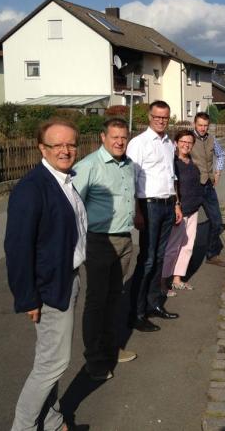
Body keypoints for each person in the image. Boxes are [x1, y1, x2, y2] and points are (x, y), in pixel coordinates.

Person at [5, 118, 87, 431]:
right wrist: (28, 297)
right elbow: (17, 248)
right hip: (51, 287)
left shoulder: (63, 179)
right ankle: (23, 426)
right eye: (58, 145)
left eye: (71, 144)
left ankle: (52, 421)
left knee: (49, 360)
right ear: (42, 148)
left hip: (69, 278)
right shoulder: (32, 188)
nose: (66, 150)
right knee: (53, 363)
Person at [72, 117, 137, 381]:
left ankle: (111, 348)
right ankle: (95, 360)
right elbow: (73, 206)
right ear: (103, 137)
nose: (120, 142)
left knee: (114, 297)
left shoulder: (128, 165)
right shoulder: (88, 166)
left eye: (124, 137)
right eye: (115, 137)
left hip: (124, 240)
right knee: (97, 301)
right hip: (99, 241)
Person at [126, 101, 182, 332]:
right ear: (149, 117)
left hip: (168, 205)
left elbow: (172, 176)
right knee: (147, 259)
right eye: (157, 117)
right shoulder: (138, 143)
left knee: (160, 258)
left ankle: (153, 304)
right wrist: (137, 211)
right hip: (148, 206)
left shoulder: (169, 144)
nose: (161, 120)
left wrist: (177, 203)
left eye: (165, 117)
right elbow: (130, 179)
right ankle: (137, 313)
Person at [162, 130, 206, 293]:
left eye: (189, 142)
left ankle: (177, 278)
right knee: (172, 247)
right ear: (176, 143)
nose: (186, 145)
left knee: (187, 246)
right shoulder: (172, 163)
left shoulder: (192, 162)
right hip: (179, 211)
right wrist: (176, 206)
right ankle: (162, 281)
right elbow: (171, 187)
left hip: (193, 209)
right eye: (183, 141)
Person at [190, 112, 225, 267]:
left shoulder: (212, 139)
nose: (203, 128)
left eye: (205, 125)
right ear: (194, 124)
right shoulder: (188, 139)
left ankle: (211, 254)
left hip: (208, 186)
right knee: (185, 224)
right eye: (200, 125)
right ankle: (181, 257)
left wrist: (217, 172)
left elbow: (221, 154)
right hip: (192, 187)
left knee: (217, 222)